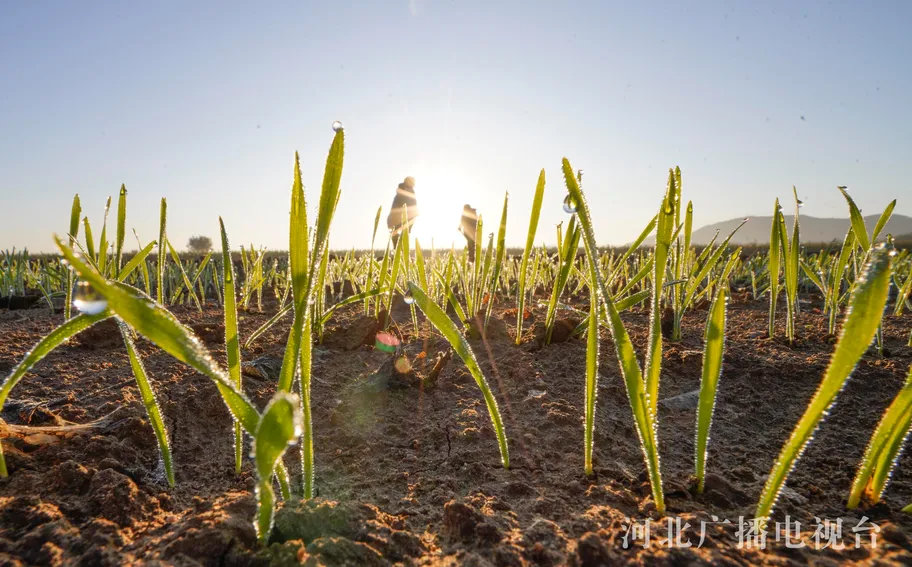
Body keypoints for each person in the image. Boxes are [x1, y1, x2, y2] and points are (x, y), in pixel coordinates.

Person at [386, 176, 418, 247]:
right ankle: (398, 253)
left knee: (402, 237)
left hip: (406, 219)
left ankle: (400, 252)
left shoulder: (408, 193)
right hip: (398, 219)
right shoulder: (403, 193)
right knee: (397, 238)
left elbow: (413, 207)